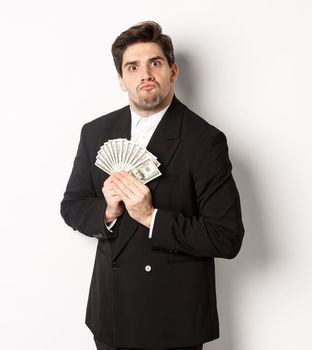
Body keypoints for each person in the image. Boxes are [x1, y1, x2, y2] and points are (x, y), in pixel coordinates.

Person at [60, 21, 244, 350]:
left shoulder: (205, 141)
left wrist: (151, 217)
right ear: (121, 80)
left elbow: (227, 237)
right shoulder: (95, 132)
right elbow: (71, 205)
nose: (144, 74)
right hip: (111, 314)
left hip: (174, 321)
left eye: (155, 63)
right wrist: (107, 211)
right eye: (133, 67)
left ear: (173, 72)